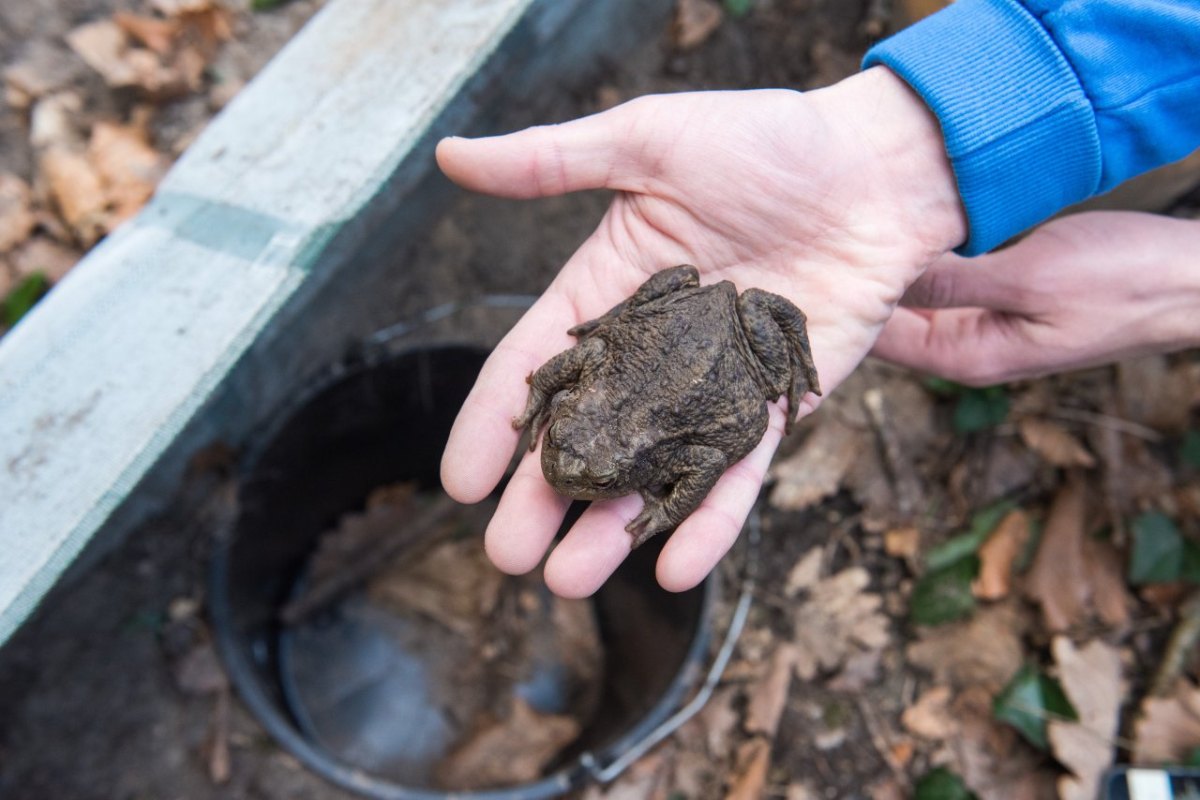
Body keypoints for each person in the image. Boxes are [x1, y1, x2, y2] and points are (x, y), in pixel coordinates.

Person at [436, 0, 1200, 598]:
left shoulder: (659, 446)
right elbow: (590, 359)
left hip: (729, 335)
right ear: (573, 417)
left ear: (631, 463)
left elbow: (663, 416)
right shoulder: (594, 412)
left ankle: (792, 361)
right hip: (674, 336)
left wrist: (667, 493)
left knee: (717, 335)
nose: (569, 467)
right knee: (636, 333)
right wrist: (557, 403)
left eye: (588, 470)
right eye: (570, 451)